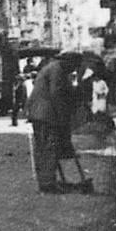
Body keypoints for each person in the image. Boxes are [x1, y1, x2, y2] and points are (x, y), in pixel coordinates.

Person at [26, 51, 82, 193]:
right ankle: (48, 183)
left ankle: (47, 180)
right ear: (69, 62)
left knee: (46, 147)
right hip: (45, 114)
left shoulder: (54, 68)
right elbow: (56, 93)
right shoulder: (57, 70)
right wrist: (62, 118)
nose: (74, 69)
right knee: (49, 147)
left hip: (42, 113)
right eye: (74, 66)